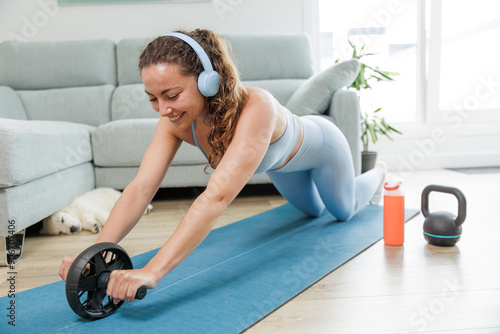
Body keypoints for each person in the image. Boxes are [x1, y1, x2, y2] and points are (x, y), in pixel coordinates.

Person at [59, 29, 386, 302]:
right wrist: (93, 253)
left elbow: (215, 198)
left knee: (343, 210)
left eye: (172, 95)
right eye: (153, 98)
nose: (163, 109)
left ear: (208, 82)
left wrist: (152, 270)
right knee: (313, 212)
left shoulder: (258, 107)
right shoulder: (174, 123)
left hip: (324, 147)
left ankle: (377, 175)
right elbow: (141, 188)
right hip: (281, 167)